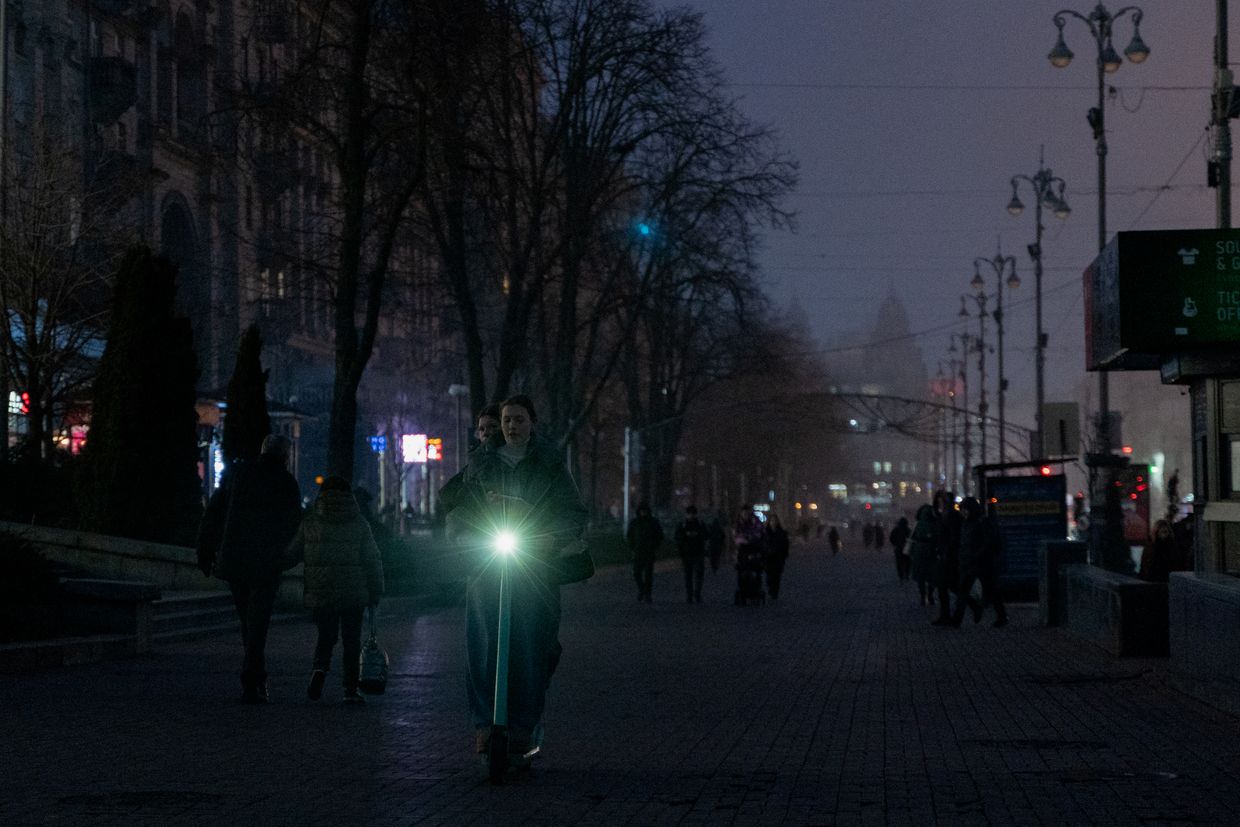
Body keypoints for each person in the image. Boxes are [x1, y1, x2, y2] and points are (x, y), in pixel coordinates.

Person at [446, 395, 587, 764]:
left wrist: (551, 537)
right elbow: (461, 509)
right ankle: (483, 723)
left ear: (532, 423)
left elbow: (572, 512)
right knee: (483, 643)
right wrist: (463, 538)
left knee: (530, 644)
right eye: (507, 420)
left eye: (520, 420)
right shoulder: (481, 462)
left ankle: (523, 725)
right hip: (488, 565)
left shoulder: (550, 464)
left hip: (534, 566)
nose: (512, 426)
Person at [196, 434, 303, 703]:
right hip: (266, 562)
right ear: (285, 455)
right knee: (258, 623)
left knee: (248, 620)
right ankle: (252, 678)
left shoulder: (239, 475)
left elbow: (214, 512)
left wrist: (205, 550)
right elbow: (294, 526)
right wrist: (289, 558)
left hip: (236, 559)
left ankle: (254, 676)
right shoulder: (285, 482)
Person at [285, 476, 385, 704]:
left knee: (326, 636)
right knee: (351, 640)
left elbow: (293, 553)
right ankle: (350, 689)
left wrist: (271, 564)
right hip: (353, 591)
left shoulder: (310, 522)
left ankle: (319, 671)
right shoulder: (359, 522)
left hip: (321, 589)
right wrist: (376, 590)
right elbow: (372, 558)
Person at [950, 497, 1007, 628]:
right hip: (968, 562)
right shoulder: (966, 523)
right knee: (963, 591)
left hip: (982, 563)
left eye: (965, 509)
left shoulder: (981, 522)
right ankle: (957, 619)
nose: (963, 512)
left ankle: (1001, 616)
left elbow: (987, 542)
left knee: (991, 589)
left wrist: (977, 554)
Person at [930, 491, 962, 626]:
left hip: (950, 556)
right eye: (938, 501)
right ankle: (945, 615)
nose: (940, 503)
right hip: (943, 555)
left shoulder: (953, 516)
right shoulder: (940, 516)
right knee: (943, 586)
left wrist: (948, 551)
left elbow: (954, 536)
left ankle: (971, 605)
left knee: (950, 585)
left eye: (942, 501)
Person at [627, 502, 664, 603]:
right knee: (636, 573)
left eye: (645, 511)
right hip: (638, 551)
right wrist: (632, 548)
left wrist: (655, 547)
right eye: (642, 511)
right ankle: (642, 589)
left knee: (648, 575)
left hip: (649, 552)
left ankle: (647, 594)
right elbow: (630, 536)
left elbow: (659, 535)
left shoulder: (653, 522)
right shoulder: (635, 523)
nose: (643, 513)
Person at [675, 505, 708, 603]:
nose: (691, 516)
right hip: (687, 552)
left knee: (698, 574)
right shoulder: (682, 524)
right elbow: (677, 537)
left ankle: (697, 593)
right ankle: (690, 595)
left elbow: (706, 535)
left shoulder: (700, 524)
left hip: (698, 552)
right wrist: (685, 536)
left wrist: (697, 535)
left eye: (692, 514)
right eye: (689, 514)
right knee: (688, 575)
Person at [908, 504, 939, 606]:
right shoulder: (935, 523)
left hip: (919, 551)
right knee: (932, 575)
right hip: (931, 550)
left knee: (921, 576)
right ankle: (930, 595)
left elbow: (912, 538)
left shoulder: (918, 524)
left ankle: (923, 596)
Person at [1139, 519, 1178, 583]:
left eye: (1165, 532)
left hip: (1165, 579)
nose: (1164, 535)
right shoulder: (1151, 545)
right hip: (1153, 580)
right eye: (1162, 532)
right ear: (1156, 532)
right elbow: (1146, 564)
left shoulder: (1171, 545)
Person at [763, 513, 790, 600]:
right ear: (769, 522)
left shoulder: (781, 533)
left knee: (776, 576)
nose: (773, 523)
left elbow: (786, 545)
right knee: (769, 576)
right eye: (772, 521)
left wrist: (784, 555)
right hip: (768, 558)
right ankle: (771, 590)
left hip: (778, 558)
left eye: (775, 521)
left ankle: (775, 592)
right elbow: (762, 544)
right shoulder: (766, 532)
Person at [890, 516, 911, 581]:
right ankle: (907, 574)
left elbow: (891, 538)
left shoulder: (896, 529)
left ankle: (901, 575)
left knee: (899, 563)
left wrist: (895, 544)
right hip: (907, 549)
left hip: (898, 548)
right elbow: (912, 539)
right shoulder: (908, 530)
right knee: (908, 562)